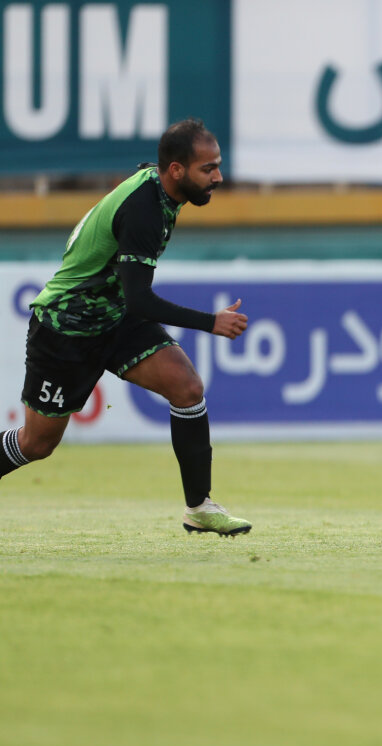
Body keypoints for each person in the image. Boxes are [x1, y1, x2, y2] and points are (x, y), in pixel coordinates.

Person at [0, 119, 252, 536]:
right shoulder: (144, 210)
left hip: (114, 318)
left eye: (217, 166)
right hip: (67, 326)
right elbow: (141, 300)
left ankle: (200, 507)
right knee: (37, 443)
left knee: (187, 387)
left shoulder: (161, 187)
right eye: (208, 168)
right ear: (176, 170)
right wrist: (211, 322)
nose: (218, 177)